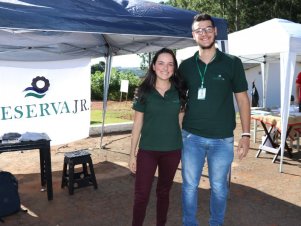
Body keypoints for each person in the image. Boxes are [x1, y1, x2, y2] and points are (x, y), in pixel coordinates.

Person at [178, 13, 251, 226]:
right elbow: (180, 102)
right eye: (199, 30)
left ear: (215, 31)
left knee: (219, 187)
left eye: (208, 29)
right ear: (193, 35)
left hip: (222, 140)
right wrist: (177, 132)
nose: (204, 33)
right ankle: (189, 223)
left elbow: (243, 100)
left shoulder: (232, 63)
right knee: (189, 186)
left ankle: (216, 223)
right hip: (191, 137)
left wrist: (246, 134)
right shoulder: (186, 66)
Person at [128, 48, 186, 226]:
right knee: (142, 195)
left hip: (172, 151)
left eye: (170, 64)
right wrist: (132, 155)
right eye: (161, 63)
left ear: (174, 68)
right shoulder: (144, 91)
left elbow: (180, 125)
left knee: (164, 192)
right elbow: (137, 125)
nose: (165, 68)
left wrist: (184, 152)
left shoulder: (180, 92)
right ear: (153, 66)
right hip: (148, 151)